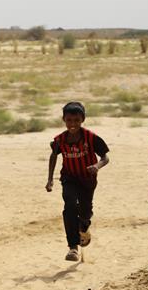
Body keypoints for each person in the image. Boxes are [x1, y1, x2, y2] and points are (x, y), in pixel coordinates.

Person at [46, 102, 111, 261]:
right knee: (69, 206)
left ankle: (84, 226)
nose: (73, 124)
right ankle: (73, 248)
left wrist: (97, 166)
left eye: (76, 120)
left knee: (85, 211)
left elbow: (105, 157)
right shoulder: (59, 140)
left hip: (87, 180)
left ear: (83, 119)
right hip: (69, 178)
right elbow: (54, 155)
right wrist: (50, 180)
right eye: (69, 120)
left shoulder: (91, 138)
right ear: (64, 120)